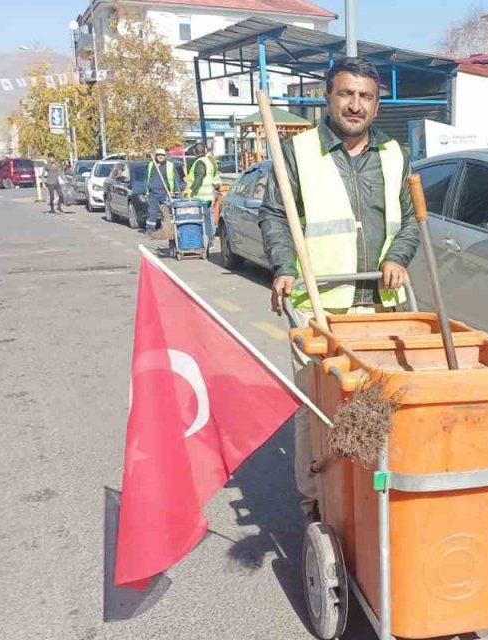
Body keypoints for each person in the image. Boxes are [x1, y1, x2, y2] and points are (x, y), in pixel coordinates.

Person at [259, 57, 421, 521]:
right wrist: (283, 266)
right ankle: (318, 501)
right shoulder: (299, 152)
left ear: (376, 102)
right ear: (329, 97)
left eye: (365, 96)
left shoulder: (394, 154)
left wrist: (397, 257)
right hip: (319, 308)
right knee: (317, 412)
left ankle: (364, 498)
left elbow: (409, 221)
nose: (355, 105)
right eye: (346, 94)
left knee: (372, 407)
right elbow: (276, 215)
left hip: (380, 307)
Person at [185, 142, 219, 250]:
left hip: (201, 196)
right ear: (205, 151)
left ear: (194, 151)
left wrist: (191, 190)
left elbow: (199, 178)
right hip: (208, 195)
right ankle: (209, 241)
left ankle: (207, 241)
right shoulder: (208, 161)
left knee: (202, 219)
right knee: (207, 218)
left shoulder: (199, 163)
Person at [145, 148, 181, 237]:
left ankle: (165, 229)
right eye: (158, 155)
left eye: (162, 155)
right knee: (152, 211)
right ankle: (150, 229)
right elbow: (148, 178)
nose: (160, 157)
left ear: (165, 156)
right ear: (156, 156)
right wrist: (147, 190)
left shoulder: (169, 165)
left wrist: (174, 191)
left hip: (165, 192)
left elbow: (175, 179)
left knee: (165, 212)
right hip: (153, 193)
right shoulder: (151, 165)